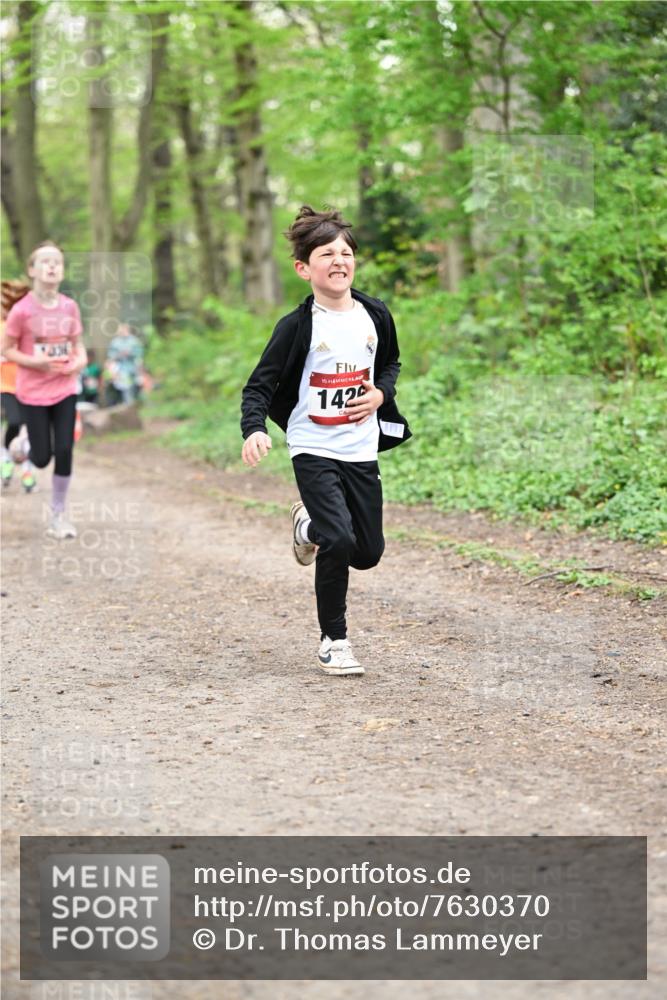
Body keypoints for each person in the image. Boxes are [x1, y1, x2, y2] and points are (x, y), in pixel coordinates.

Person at [241, 205, 411, 676]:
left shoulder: (375, 313)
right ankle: (334, 641)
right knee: (338, 538)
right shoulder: (297, 326)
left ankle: (306, 529)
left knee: (367, 552)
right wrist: (254, 428)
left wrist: (380, 393)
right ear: (304, 268)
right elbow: (259, 386)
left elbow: (391, 364)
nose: (339, 261)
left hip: (361, 444)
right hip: (312, 443)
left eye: (346, 252)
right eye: (326, 253)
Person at [1, 241, 87, 539]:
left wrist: (79, 362)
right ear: (31, 269)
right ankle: (22, 445)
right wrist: (35, 362)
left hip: (65, 388)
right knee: (40, 459)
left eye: (57, 263)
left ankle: (58, 516)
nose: (52, 266)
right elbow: (7, 349)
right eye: (45, 261)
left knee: (64, 449)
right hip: (32, 392)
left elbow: (78, 346)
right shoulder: (21, 311)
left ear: (61, 271)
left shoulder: (69, 306)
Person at [1, 279, 37, 492]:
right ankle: (6, 457)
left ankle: (27, 470)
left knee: (31, 428)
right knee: (15, 422)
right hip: (5, 384)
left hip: (29, 384)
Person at [105, 323, 144, 405]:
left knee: (134, 386)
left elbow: (139, 353)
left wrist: (130, 353)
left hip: (133, 367)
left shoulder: (134, 341)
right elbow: (111, 355)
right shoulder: (115, 342)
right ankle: (128, 404)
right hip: (121, 369)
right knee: (125, 386)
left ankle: (134, 403)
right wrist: (119, 355)